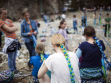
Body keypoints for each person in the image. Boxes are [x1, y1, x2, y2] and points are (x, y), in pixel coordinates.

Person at [0, 8, 20, 73]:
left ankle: (14, 69)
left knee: (14, 57)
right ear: (0, 14)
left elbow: (16, 27)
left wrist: (12, 28)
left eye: (6, 14)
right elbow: (9, 30)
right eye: (4, 14)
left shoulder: (8, 20)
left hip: (15, 40)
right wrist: (12, 28)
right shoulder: (1, 22)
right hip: (10, 41)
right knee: (10, 57)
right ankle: (11, 71)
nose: (6, 15)